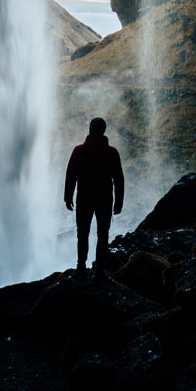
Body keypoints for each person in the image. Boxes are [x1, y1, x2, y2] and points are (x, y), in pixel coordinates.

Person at [64, 117, 124, 282]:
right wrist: (119, 202)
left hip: (84, 198)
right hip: (104, 200)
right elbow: (119, 179)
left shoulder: (79, 150)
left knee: (82, 234)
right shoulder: (111, 153)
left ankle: (81, 268)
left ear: (90, 130)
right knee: (103, 235)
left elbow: (71, 175)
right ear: (104, 131)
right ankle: (100, 271)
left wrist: (67, 197)